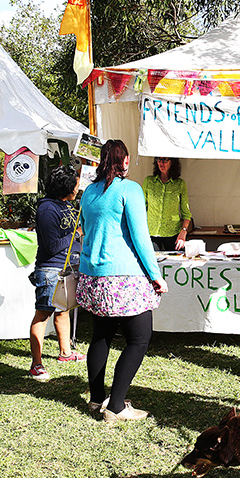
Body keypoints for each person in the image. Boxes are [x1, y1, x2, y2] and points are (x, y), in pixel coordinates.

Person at [76, 139, 168, 423]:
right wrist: (156, 275)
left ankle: (95, 399)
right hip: (124, 278)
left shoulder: (89, 191)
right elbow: (141, 238)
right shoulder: (130, 189)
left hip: (93, 276)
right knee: (139, 339)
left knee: (101, 336)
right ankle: (116, 405)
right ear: (125, 161)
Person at [29, 166, 86, 381]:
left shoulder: (66, 205)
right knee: (43, 315)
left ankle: (66, 353)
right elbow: (53, 245)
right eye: (75, 185)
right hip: (51, 269)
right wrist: (77, 233)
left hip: (68, 268)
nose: (77, 189)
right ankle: (36, 364)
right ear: (66, 187)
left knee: (63, 311)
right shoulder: (46, 209)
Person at [142, 157, 192, 251]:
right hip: (152, 233)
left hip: (173, 233)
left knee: (176, 263)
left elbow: (186, 213)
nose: (161, 163)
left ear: (172, 161)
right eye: (159, 160)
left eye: (165, 160)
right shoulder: (149, 181)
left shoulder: (180, 184)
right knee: (153, 262)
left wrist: (183, 231)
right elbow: (141, 208)